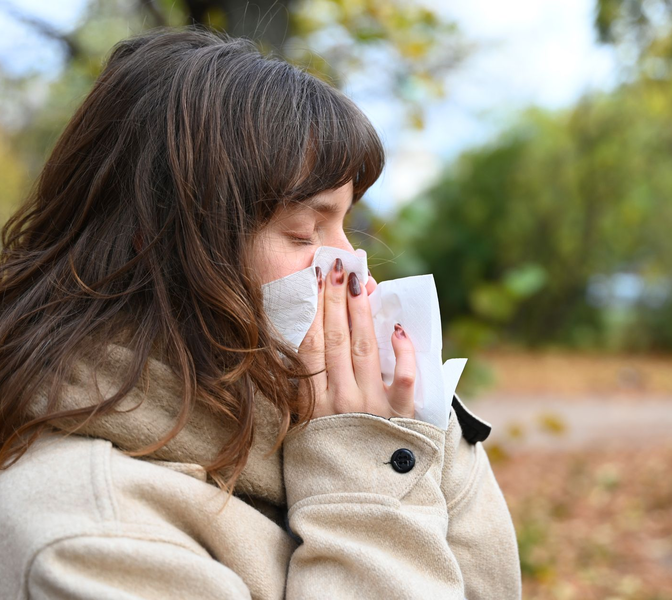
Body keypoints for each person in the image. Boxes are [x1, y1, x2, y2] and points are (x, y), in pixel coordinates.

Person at [0, 26, 522, 599]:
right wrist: (365, 477)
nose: (351, 262)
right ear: (156, 246)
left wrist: (416, 430)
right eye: (304, 231)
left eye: (345, 224)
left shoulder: (371, 408)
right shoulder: (88, 532)